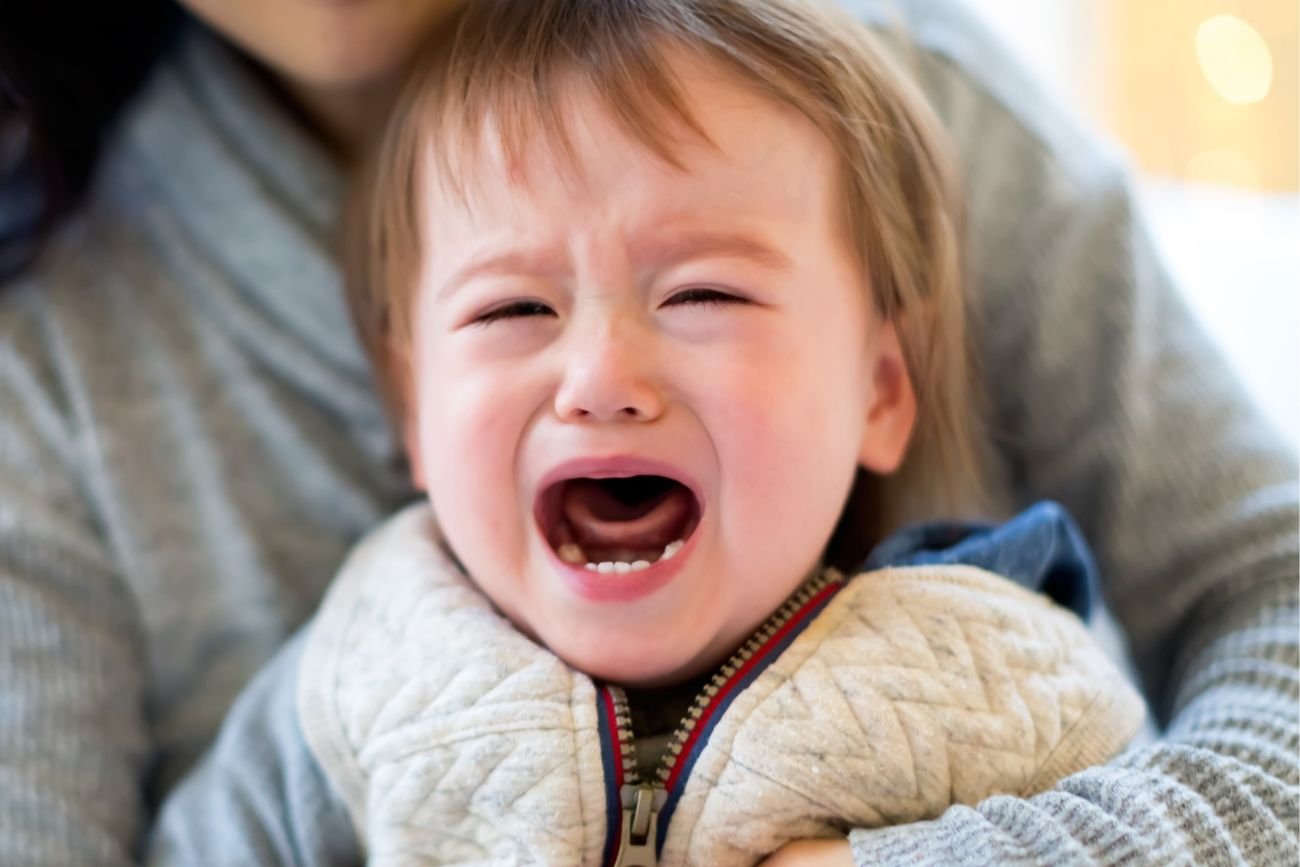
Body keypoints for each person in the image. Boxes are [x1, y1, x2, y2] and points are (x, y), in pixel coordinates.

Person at [0, 0, 1292, 865]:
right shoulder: (339, 693)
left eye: (707, 296)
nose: (602, 378)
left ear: (887, 383)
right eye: (510, 309)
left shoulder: (1003, 660)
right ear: (404, 394)